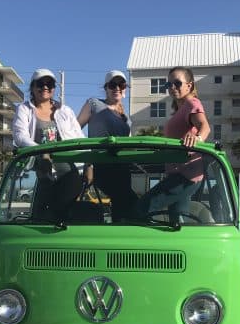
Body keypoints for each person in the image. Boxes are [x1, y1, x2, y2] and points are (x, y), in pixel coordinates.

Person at [136, 66, 211, 223]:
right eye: (168, 84)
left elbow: (205, 127)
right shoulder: (180, 110)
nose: (172, 87)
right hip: (179, 175)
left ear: (189, 85)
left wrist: (197, 138)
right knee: (176, 222)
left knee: (143, 207)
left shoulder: (192, 103)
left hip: (185, 176)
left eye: (177, 83)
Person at [12, 68, 87, 220]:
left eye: (50, 84)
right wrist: (41, 152)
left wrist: (89, 165)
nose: (45, 87)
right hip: (41, 172)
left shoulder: (65, 111)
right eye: (40, 83)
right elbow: (20, 136)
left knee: (62, 209)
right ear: (32, 87)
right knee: (40, 213)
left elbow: (81, 139)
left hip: (70, 171)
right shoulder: (24, 109)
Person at [77, 70, 138, 221]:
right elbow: (74, 131)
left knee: (123, 204)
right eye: (112, 85)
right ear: (106, 88)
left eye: (121, 84)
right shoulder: (94, 104)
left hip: (123, 167)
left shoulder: (127, 118)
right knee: (128, 200)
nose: (117, 88)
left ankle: (121, 237)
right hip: (101, 165)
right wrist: (88, 163)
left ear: (125, 89)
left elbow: (129, 145)